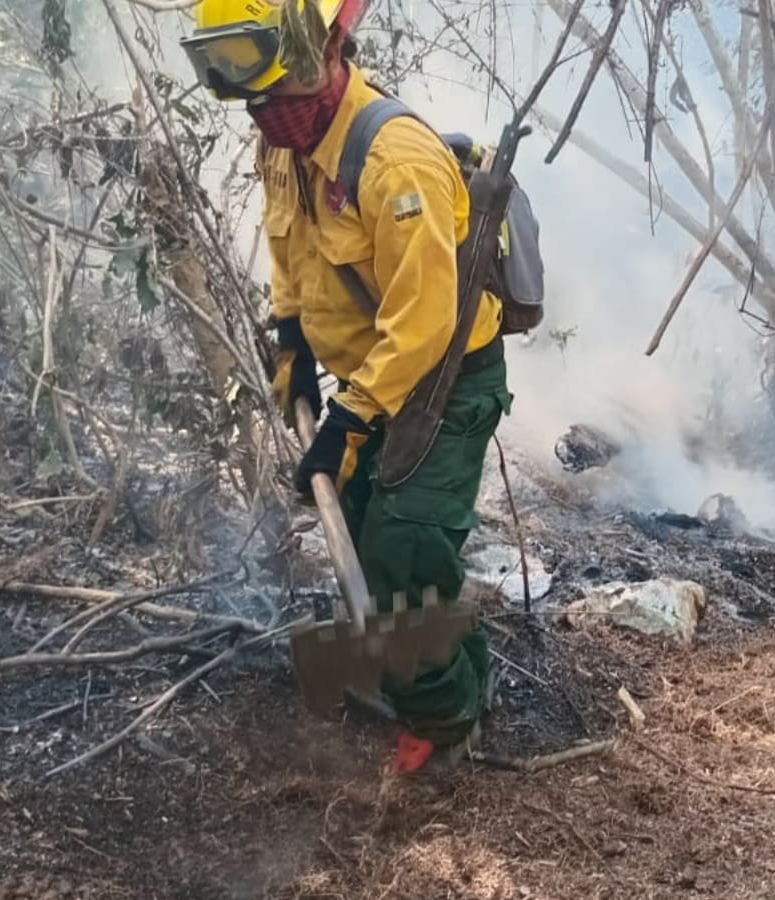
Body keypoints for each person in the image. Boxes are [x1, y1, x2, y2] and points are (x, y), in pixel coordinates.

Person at [181, 0, 511, 769]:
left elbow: (426, 320)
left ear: (324, 45)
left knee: (399, 549)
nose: (263, 108)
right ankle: (444, 665)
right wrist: (292, 333)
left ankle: (445, 723)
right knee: (367, 534)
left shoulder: (397, 162)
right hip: (376, 374)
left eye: (273, 85)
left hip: (444, 379)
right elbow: (287, 243)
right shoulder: (284, 145)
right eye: (238, 81)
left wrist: (351, 418)